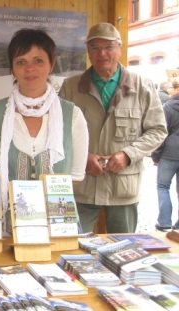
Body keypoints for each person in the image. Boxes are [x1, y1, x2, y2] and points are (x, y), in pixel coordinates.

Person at [58, 23, 167, 233]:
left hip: (123, 187)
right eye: (94, 47)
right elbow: (57, 132)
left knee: (125, 250)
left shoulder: (142, 86)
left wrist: (128, 154)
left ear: (119, 49)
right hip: (81, 185)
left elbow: (158, 130)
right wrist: (82, 158)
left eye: (108, 47)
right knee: (70, 247)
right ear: (88, 52)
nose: (102, 53)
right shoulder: (70, 87)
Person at [0, 28, 88, 234]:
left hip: (58, 228)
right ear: (12, 68)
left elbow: (76, 176)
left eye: (38, 60)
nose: (30, 68)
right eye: (21, 62)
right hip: (8, 229)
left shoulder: (72, 115)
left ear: (51, 64)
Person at [152, 78, 179, 231]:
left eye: (171, 87)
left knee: (163, 187)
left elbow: (161, 133)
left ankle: (164, 222)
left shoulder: (167, 107)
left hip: (169, 153)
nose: (169, 90)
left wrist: (156, 156)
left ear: (176, 89)